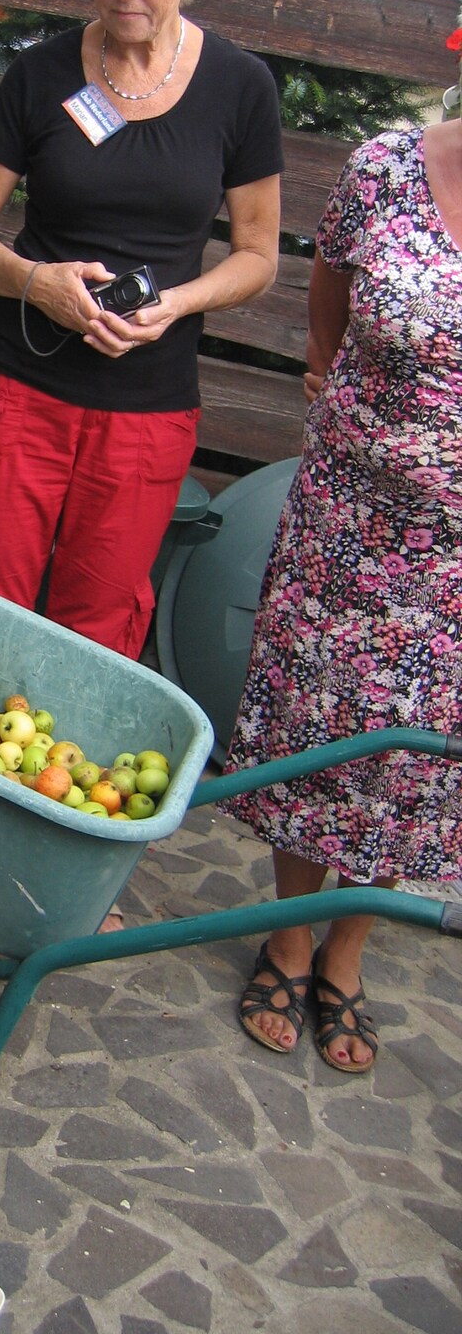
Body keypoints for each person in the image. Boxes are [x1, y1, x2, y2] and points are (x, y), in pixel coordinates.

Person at [0, 0, 282, 663]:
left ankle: (53, 794)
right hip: (17, 392)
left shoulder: (240, 88)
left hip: (146, 411)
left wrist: (180, 303)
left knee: (99, 631)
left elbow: (259, 254)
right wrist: (35, 281)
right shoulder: (42, 74)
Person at [225, 98, 462, 1075]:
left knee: (419, 761)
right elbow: (331, 282)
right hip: (350, 516)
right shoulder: (385, 168)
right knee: (316, 723)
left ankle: (348, 955)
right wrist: (332, 373)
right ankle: (289, 934)